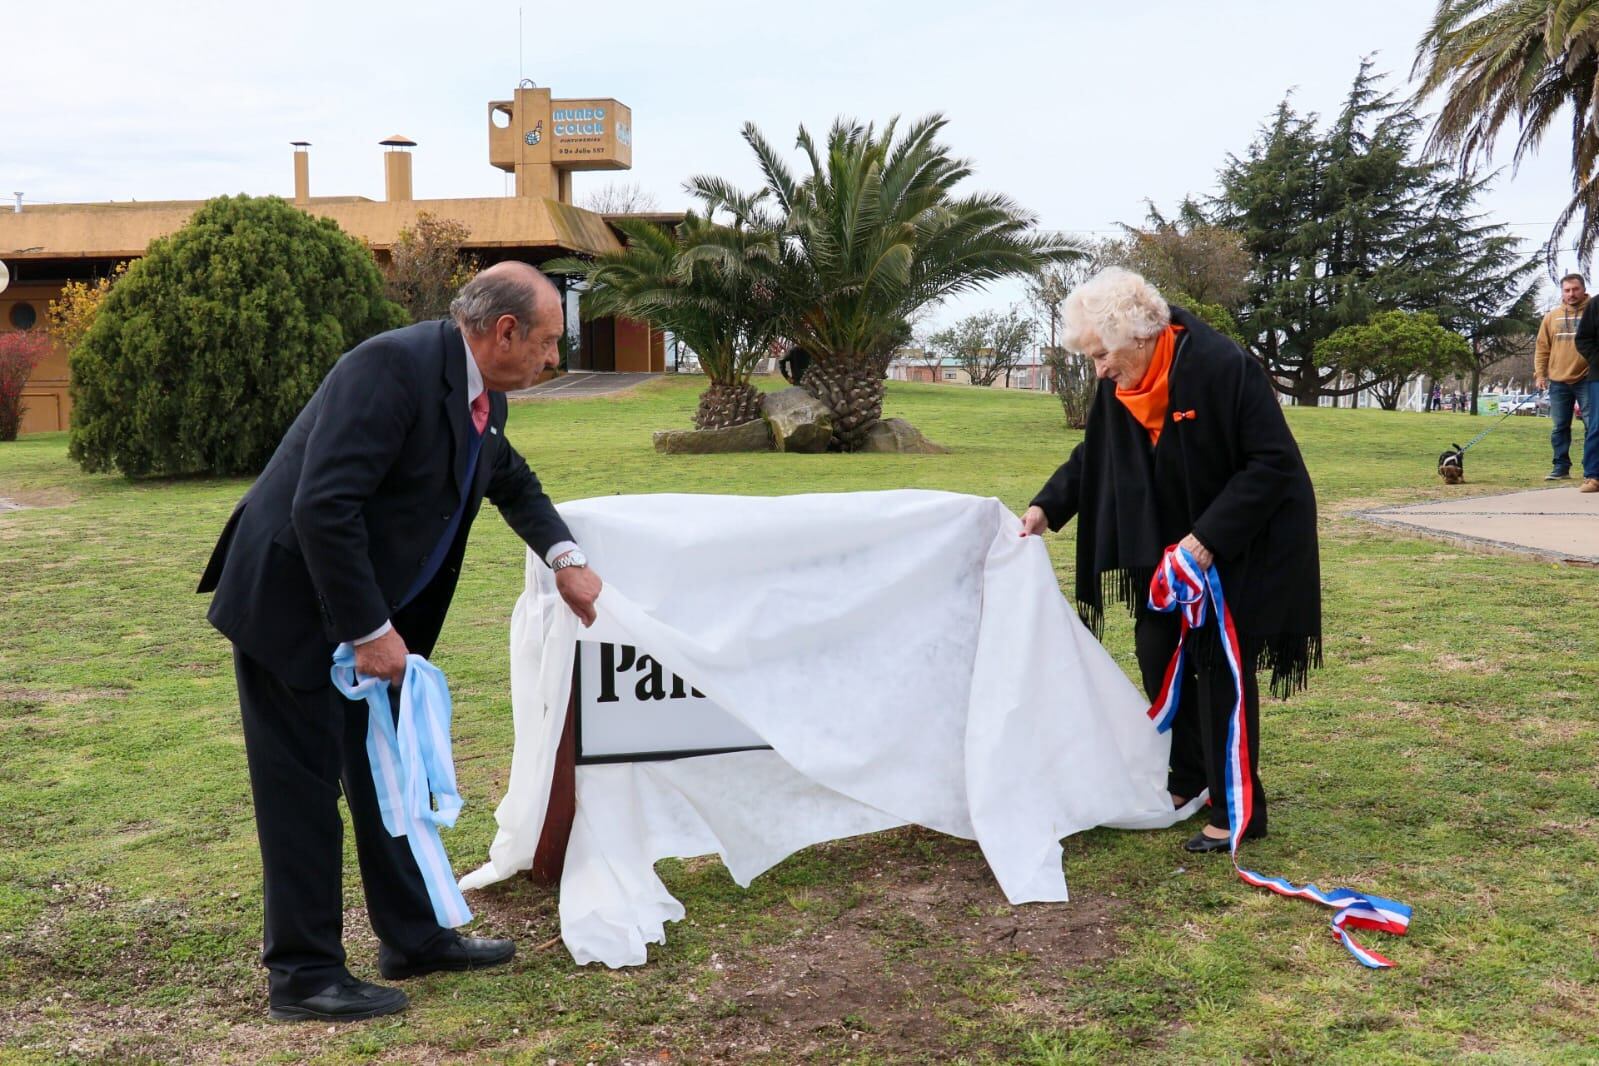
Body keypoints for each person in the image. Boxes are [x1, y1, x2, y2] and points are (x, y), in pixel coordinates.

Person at [197, 262, 603, 1022]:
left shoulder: (484, 396)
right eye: (548, 343)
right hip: (293, 608)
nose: (554, 360)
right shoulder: (391, 367)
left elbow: (509, 480)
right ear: (504, 330)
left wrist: (567, 559)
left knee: (388, 776)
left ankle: (414, 938)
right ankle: (305, 976)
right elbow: (324, 506)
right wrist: (369, 631)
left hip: (368, 624)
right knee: (303, 795)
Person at [1019, 268, 1321, 854]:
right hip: (1160, 548)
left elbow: (1272, 465)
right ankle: (1189, 779)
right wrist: (1046, 507)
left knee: (1217, 668)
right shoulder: (1120, 384)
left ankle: (1239, 807)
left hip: (1232, 542)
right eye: (1092, 358)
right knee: (1157, 650)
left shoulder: (1219, 365)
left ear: (1139, 335)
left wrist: (1205, 540)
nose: (1099, 369)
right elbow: (1095, 454)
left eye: (1103, 354)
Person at [1560, 274, 1599, 492]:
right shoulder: (1596, 305)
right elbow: (1583, 339)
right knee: (1597, 425)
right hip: (1598, 376)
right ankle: (1594, 476)